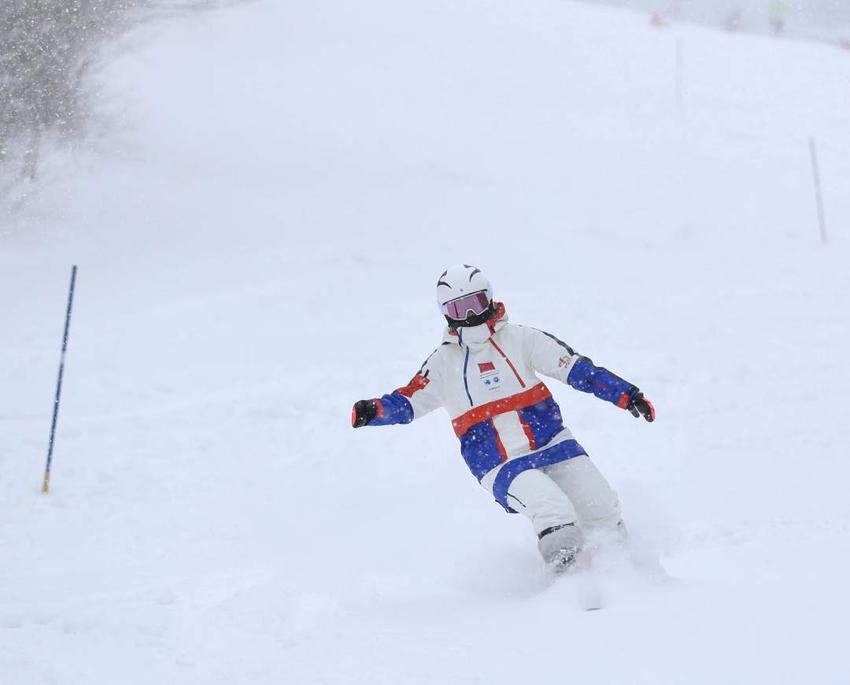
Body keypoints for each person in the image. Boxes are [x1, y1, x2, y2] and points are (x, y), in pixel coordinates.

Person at [351, 264, 655, 570]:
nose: (470, 317)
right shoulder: (443, 363)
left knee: (600, 502)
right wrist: (373, 410)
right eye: (460, 309)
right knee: (553, 510)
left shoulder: (521, 339)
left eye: (475, 304)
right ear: (447, 314)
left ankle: (623, 570)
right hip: (499, 461)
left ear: (489, 299)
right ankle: (572, 584)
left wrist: (626, 395)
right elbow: (408, 401)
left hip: (553, 443)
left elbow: (575, 368)